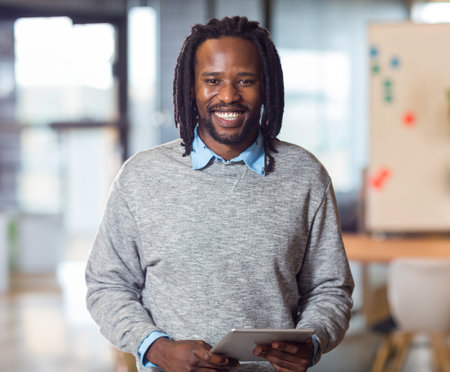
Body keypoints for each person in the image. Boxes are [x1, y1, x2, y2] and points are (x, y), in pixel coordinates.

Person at [86, 16, 354, 372]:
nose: (228, 95)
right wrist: (157, 348)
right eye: (212, 81)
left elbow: (330, 288)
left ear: (267, 87)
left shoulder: (305, 175)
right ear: (191, 87)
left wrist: (312, 339)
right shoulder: (141, 177)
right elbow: (107, 285)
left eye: (245, 81)